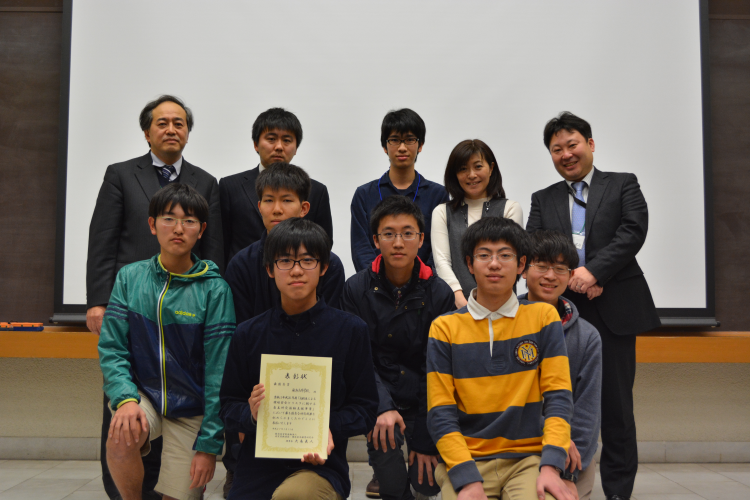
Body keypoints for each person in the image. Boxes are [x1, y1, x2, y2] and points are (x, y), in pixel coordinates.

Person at [87, 95, 223, 499]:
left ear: (188, 133)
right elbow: (103, 238)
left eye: (179, 123)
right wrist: (97, 300)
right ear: (147, 132)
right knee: (124, 412)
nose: (171, 129)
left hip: (187, 308)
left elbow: (213, 248)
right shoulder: (121, 174)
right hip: (134, 306)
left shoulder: (205, 181)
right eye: (162, 123)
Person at [526, 112, 660, 500]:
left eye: (572, 145)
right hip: (560, 312)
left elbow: (633, 230)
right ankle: (564, 478)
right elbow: (535, 246)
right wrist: (574, 278)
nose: (566, 154)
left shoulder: (622, 184)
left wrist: (597, 272)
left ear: (590, 144)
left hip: (614, 309)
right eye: (557, 149)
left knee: (616, 408)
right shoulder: (543, 198)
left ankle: (617, 491)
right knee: (559, 400)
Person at [219, 218, 379, 499]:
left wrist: (325, 428)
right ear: (270, 269)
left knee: (293, 496)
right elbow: (228, 405)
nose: (296, 270)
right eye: (285, 261)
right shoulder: (248, 334)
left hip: (321, 465)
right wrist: (250, 413)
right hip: (258, 465)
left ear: (323, 267)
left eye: (307, 260)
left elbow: (365, 409)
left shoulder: (351, 331)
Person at [99, 183, 235, 500]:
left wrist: (208, 445)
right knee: (121, 433)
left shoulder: (215, 290)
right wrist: (125, 399)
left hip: (193, 408)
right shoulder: (129, 278)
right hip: (144, 396)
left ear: (201, 230)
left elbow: (219, 373)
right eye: (168, 218)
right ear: (152, 224)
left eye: (189, 221)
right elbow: (112, 349)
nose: (178, 228)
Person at [427, 217, 575, 500]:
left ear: (521, 265)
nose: (494, 264)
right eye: (484, 255)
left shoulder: (543, 317)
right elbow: (440, 412)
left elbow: (558, 397)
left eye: (505, 255)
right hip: (466, 458)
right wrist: (466, 477)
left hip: (527, 460)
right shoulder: (444, 327)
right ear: (470, 264)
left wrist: (551, 466)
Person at [341, 196, 455, 500]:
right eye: (389, 234)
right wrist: (381, 406)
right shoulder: (355, 288)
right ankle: (387, 475)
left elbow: (438, 367)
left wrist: (425, 440)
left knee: (427, 484)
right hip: (379, 397)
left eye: (408, 233)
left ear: (421, 239)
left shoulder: (439, 293)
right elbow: (359, 359)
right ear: (376, 240)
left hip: (422, 398)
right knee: (392, 484)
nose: (399, 242)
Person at [520, 230, 602, 500]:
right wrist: (552, 435)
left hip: (571, 453)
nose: (550, 276)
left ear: (571, 275)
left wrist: (567, 473)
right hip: (515, 443)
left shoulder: (587, 336)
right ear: (523, 269)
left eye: (559, 268)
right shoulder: (503, 323)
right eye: (541, 266)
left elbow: (587, 411)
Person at [224, 162, 345, 324]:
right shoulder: (241, 264)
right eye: (269, 200)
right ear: (259, 207)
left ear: (304, 208)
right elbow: (242, 329)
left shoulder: (329, 263)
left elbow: (332, 324)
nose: (277, 210)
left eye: (286, 200)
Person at [219, 107, 333, 265]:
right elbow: (221, 243)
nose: (279, 147)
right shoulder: (230, 186)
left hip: (296, 273)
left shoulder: (317, 191)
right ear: (256, 144)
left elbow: (323, 243)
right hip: (244, 274)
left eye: (287, 140)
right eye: (271, 139)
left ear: (296, 148)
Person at [350, 108, 449, 272]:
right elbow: (360, 248)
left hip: (424, 283)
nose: (402, 147)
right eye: (395, 140)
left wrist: (422, 279)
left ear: (420, 145)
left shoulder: (437, 195)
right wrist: (377, 280)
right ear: (384, 146)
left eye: (409, 140)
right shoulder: (364, 195)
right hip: (374, 282)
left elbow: (438, 249)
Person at [432, 139, 524, 309]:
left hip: (502, 306)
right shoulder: (442, 212)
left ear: (491, 168)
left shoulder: (510, 208)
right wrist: (460, 300)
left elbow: (511, 260)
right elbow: (442, 262)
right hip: (456, 306)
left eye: (478, 166)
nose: (471, 175)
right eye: (463, 169)